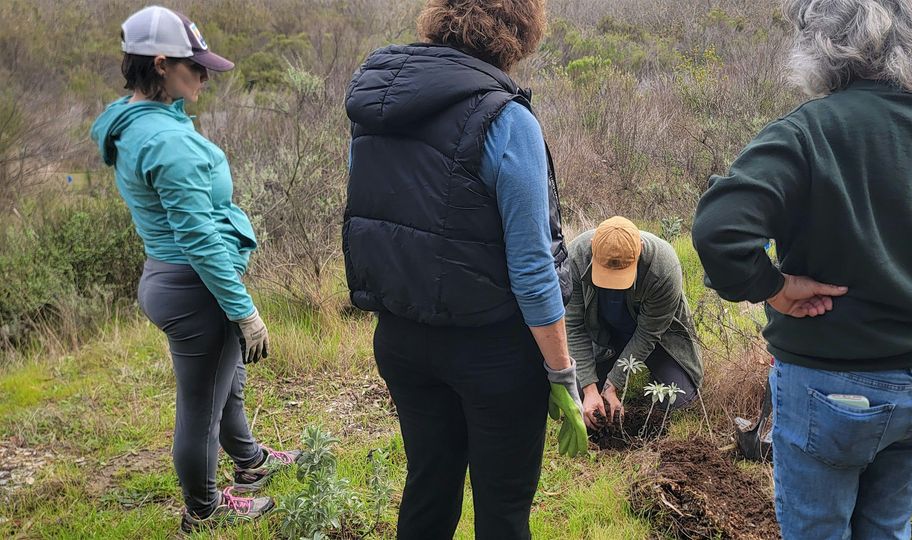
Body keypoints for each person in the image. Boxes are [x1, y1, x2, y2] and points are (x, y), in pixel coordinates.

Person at [691, 0, 912, 537]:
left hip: (834, 391)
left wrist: (775, 287)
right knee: (888, 529)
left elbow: (720, 231)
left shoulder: (808, 134)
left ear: (824, 43)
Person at [342, 1, 587, 538]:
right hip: (493, 353)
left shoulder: (377, 106)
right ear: (520, 31)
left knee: (429, 486)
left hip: (402, 339)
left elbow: (374, 218)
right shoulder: (505, 117)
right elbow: (532, 263)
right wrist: (562, 374)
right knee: (502, 510)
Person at [89, 6, 300, 534]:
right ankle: (203, 511)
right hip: (195, 287)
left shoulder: (137, 120)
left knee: (224, 385)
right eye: (195, 67)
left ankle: (249, 462)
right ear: (160, 64)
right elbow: (200, 239)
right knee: (200, 409)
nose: (205, 76)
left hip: (170, 277)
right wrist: (244, 310)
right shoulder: (167, 142)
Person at [565, 217, 704, 429]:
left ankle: (651, 373)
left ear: (640, 249)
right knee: (577, 395)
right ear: (592, 246)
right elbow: (574, 326)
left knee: (680, 400)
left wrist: (613, 384)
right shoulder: (575, 257)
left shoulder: (663, 266)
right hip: (603, 337)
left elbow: (649, 333)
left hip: (658, 339)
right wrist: (590, 389)